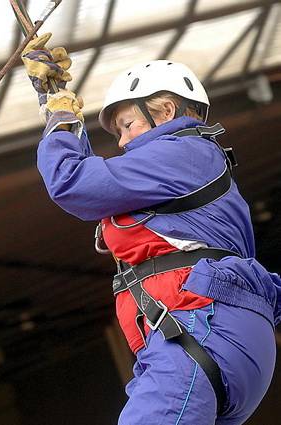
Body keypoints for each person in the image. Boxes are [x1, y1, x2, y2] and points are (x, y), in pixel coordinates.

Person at [22, 33, 281, 425]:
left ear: (164, 111)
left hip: (199, 330)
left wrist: (59, 121)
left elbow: (73, 183)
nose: (123, 143)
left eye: (127, 125)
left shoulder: (182, 152)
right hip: (214, 336)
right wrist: (54, 106)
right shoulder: (189, 162)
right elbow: (101, 186)